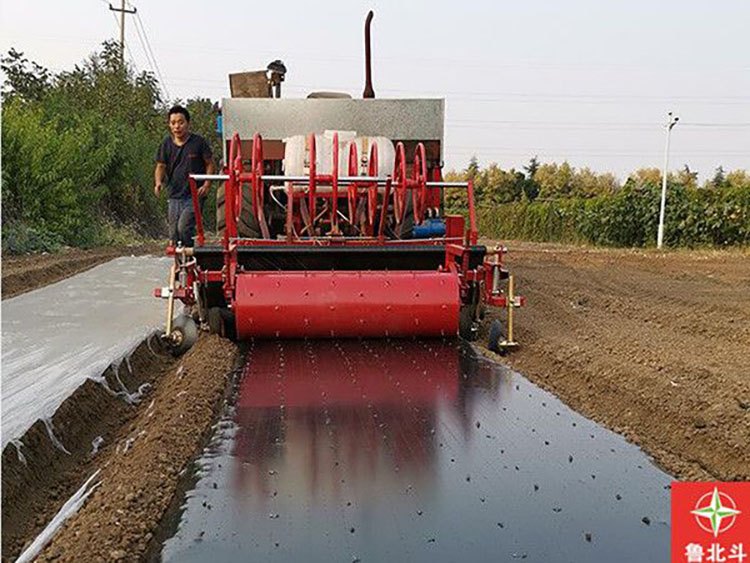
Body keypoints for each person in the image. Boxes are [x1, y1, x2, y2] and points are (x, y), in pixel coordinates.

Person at [154, 105, 216, 247]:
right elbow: (160, 166)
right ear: (169, 125)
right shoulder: (166, 144)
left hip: (194, 194)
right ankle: (179, 263)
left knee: (184, 227)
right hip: (174, 194)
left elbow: (210, 164)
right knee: (174, 234)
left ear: (187, 123)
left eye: (181, 122)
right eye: (173, 123)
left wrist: (207, 184)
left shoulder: (198, 142)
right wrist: (158, 182)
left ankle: (189, 258)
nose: (177, 126)